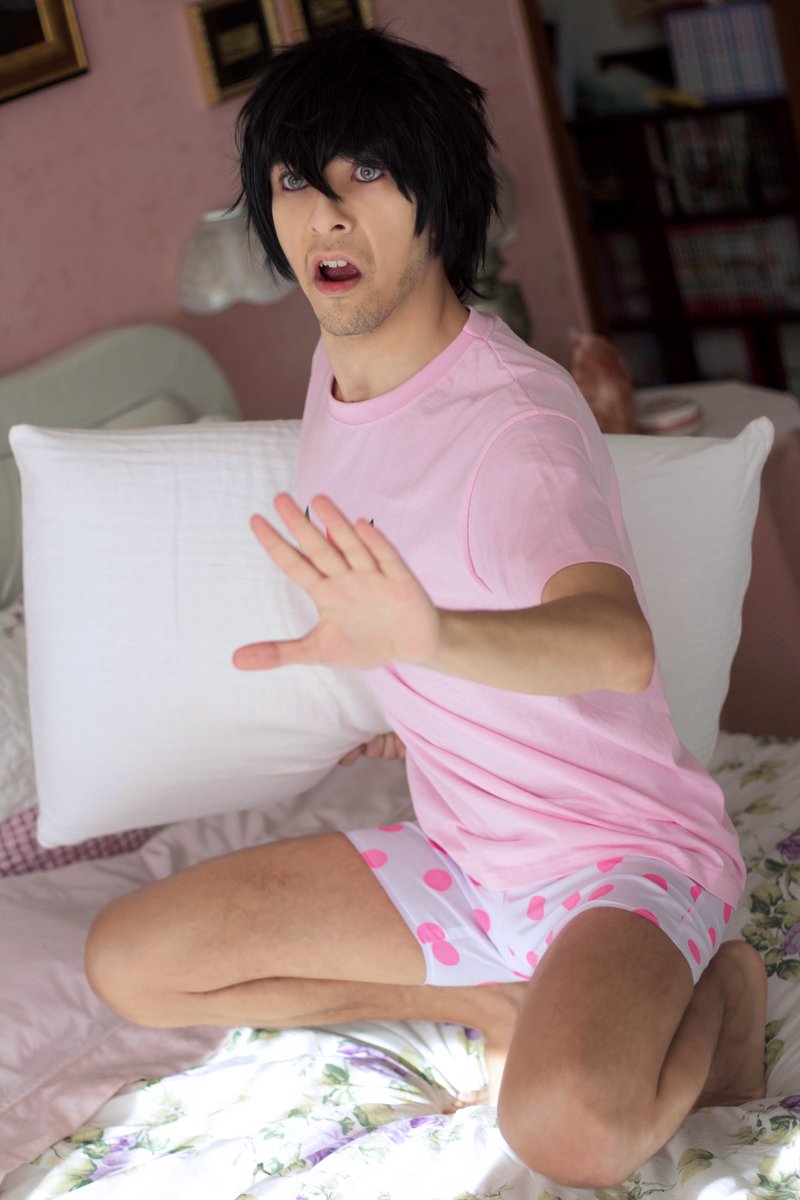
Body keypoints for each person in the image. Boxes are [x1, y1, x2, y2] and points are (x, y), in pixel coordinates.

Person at [85, 26, 767, 1188]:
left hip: (617, 860)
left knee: (564, 1131)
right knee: (129, 960)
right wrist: (411, 700)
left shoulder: (512, 424)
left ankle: (723, 996)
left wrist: (432, 641)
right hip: (466, 851)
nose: (326, 217)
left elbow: (613, 645)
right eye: (294, 180)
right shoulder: (337, 371)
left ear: (438, 199)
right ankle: (490, 998)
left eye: (367, 173)